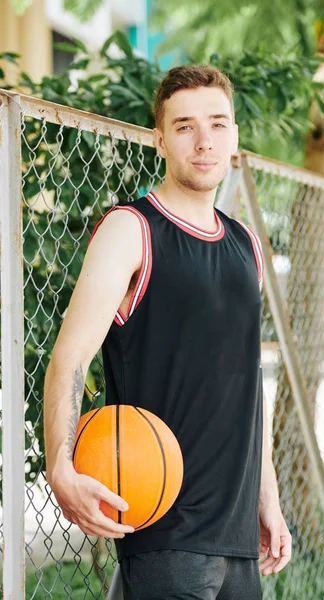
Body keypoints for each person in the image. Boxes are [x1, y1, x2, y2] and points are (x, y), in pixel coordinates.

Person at [44, 64, 292, 599]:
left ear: (234, 137)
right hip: (165, 529)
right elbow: (69, 358)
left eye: (218, 124)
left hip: (238, 537)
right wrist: (59, 466)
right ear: (159, 139)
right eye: (184, 126)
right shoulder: (131, 229)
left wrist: (266, 499)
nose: (204, 141)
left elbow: (246, 384)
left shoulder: (247, 246)